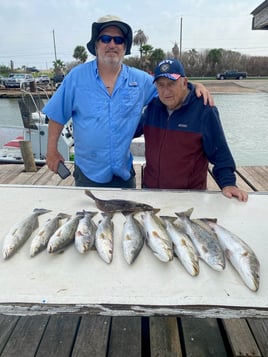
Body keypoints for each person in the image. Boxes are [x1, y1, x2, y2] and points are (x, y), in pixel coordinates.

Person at [43, 15, 213, 188]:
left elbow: (169, 90)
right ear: (96, 45)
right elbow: (57, 115)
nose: (112, 44)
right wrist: (51, 150)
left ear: (125, 47)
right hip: (88, 173)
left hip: (123, 173)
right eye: (105, 39)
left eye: (118, 40)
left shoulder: (141, 80)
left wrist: (193, 86)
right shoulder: (76, 77)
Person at [137, 58, 248, 202]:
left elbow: (219, 152)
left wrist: (228, 183)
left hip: (189, 196)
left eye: (171, 84)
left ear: (184, 82)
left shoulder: (204, 110)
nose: (165, 91)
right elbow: (127, 131)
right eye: (160, 85)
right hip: (151, 193)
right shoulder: (152, 108)